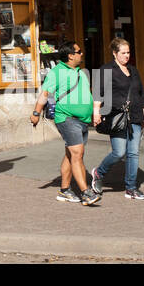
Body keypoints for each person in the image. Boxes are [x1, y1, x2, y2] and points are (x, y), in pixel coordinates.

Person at [30, 43, 101, 205]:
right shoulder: (57, 72)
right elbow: (45, 93)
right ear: (70, 55)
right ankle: (86, 193)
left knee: (71, 155)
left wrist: (93, 111)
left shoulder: (80, 72)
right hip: (67, 118)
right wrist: (36, 113)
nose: (82, 54)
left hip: (82, 120)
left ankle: (65, 190)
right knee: (77, 153)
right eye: (79, 52)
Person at [91, 37, 144, 200]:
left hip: (136, 115)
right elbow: (98, 92)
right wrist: (96, 112)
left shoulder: (133, 70)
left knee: (133, 153)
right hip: (117, 116)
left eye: (128, 52)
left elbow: (140, 93)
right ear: (114, 53)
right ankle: (99, 172)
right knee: (119, 152)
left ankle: (131, 188)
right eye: (123, 53)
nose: (127, 56)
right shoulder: (106, 69)